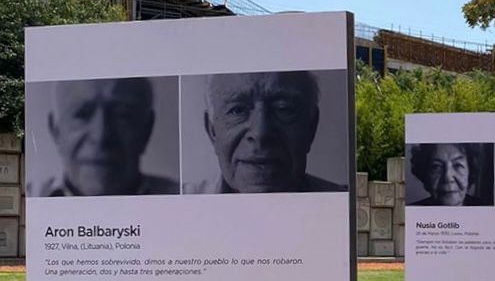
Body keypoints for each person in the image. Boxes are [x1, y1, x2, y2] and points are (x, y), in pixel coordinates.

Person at [195, 70, 342, 193]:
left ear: (311, 127)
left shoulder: (343, 205)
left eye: (283, 108)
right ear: (212, 131)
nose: (261, 133)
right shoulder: (179, 208)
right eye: (237, 110)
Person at [40, 77, 177, 196]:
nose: (101, 136)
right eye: (82, 114)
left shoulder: (185, 200)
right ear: (55, 130)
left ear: (147, 130)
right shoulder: (27, 205)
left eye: (121, 115)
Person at [407, 143, 488, 205]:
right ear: (425, 175)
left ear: (470, 172)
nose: (447, 177)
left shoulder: (486, 208)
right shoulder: (412, 211)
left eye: (457, 165)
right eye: (437, 167)